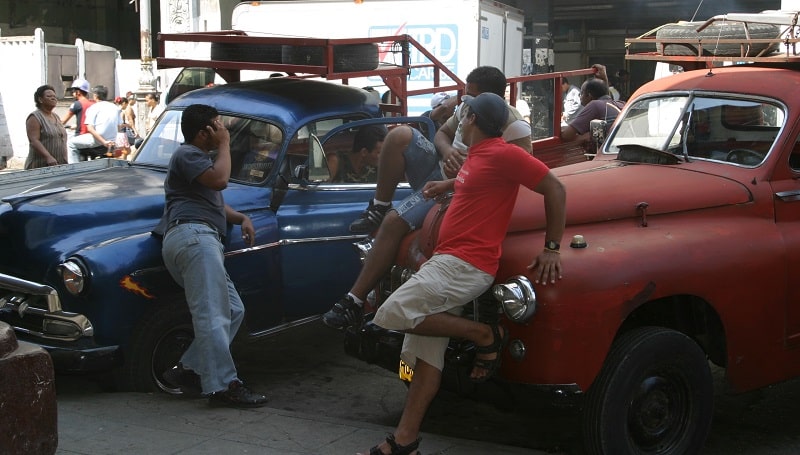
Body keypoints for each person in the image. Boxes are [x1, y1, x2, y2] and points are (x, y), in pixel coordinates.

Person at [358, 92, 566, 455]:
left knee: (391, 314)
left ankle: (484, 335)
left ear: (471, 119)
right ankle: (404, 442)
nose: (459, 119)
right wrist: (446, 185)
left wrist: (552, 248)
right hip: (449, 262)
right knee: (424, 361)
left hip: (464, 266)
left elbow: (555, 188)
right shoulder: (477, 157)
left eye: (463, 114)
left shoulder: (505, 153)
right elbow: (478, 181)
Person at [323, 66, 532, 329]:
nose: (464, 99)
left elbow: (519, 175)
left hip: (460, 189)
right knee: (399, 134)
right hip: (441, 170)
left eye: (471, 95)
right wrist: (447, 153)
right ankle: (379, 204)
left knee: (392, 222)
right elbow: (442, 133)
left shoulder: (514, 125)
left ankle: (354, 300)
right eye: (465, 94)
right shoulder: (467, 109)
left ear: (491, 100)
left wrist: (458, 179)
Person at [153, 104, 268, 408]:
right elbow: (220, 181)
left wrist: (240, 217)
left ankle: (190, 369)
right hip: (194, 238)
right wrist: (226, 145)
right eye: (218, 125)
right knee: (213, 314)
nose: (223, 130)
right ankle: (223, 385)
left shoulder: (198, 161)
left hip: (200, 239)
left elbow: (214, 201)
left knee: (232, 310)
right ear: (204, 131)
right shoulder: (188, 154)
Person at [561, 65, 625, 154]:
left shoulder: (594, 105)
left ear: (589, 95)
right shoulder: (620, 104)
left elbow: (566, 135)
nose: (580, 97)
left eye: (582, 93)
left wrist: (587, 136)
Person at [66, 85, 122, 163]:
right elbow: (119, 127)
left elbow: (90, 128)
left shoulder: (94, 107)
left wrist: (104, 142)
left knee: (70, 143)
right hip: (112, 140)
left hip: (98, 141)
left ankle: (74, 170)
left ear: (95, 96)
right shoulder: (115, 107)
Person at [25, 85, 68, 169]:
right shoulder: (35, 117)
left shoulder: (56, 117)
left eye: (54, 96)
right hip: (40, 165)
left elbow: (62, 139)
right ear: (40, 100)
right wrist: (48, 157)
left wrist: (65, 158)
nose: (53, 98)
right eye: (49, 96)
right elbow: (34, 140)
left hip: (59, 164)